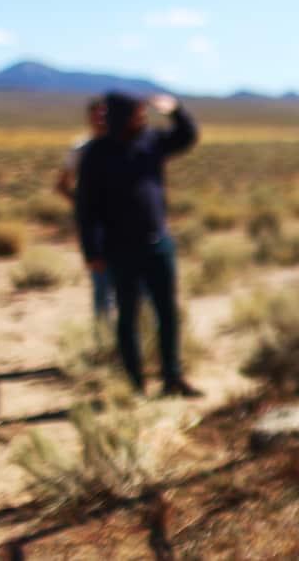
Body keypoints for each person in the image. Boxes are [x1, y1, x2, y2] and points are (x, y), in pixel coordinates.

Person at [76, 91, 202, 397]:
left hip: (158, 245)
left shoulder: (151, 143)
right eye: (137, 114)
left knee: (167, 313)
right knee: (128, 316)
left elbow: (187, 137)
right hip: (120, 250)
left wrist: (176, 110)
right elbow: (86, 208)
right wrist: (91, 251)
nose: (143, 118)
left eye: (144, 114)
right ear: (121, 116)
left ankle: (172, 377)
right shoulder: (96, 153)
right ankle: (135, 383)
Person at [56, 98, 113, 328]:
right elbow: (61, 184)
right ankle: (104, 338)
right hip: (97, 229)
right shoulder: (81, 148)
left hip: (130, 227)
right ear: (89, 118)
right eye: (96, 115)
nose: (100, 119)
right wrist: (83, 206)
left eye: (104, 114)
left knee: (139, 286)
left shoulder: (126, 145)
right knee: (102, 284)